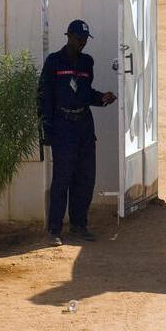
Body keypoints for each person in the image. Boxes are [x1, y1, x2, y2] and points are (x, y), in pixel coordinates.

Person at [37, 19, 117, 245]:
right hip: (63, 126)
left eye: (84, 39)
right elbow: (44, 96)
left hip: (84, 126)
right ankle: (54, 230)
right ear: (69, 36)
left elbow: (84, 93)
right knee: (62, 179)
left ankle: (79, 225)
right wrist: (47, 128)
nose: (81, 43)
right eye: (78, 38)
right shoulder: (54, 62)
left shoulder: (86, 63)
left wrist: (101, 99)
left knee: (85, 178)